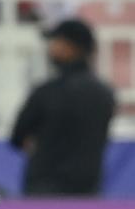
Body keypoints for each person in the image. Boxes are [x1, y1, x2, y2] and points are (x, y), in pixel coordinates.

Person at [9, 19, 115, 196]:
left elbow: (17, 137)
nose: (51, 48)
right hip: (87, 190)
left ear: (72, 47)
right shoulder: (104, 94)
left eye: (56, 42)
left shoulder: (46, 92)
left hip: (44, 190)